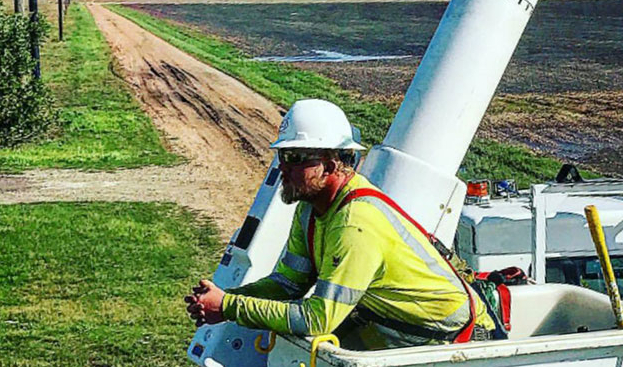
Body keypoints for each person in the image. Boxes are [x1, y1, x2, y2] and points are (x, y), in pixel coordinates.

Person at [185, 99, 494, 348]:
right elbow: (288, 284)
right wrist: (227, 297)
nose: (283, 168)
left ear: (331, 164)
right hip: (400, 326)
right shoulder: (310, 208)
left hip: (450, 340)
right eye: (282, 155)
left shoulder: (354, 223)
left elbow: (316, 320)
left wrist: (227, 306)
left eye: (295, 157)